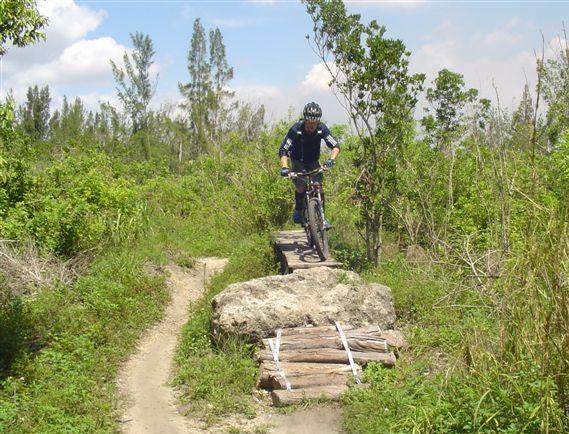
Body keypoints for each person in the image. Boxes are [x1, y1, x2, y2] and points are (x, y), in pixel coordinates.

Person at [278, 102, 340, 226]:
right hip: (298, 162)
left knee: (318, 186)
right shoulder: (296, 129)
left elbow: (335, 146)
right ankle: (298, 209)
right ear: (305, 120)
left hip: (313, 161)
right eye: (309, 123)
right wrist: (285, 167)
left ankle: (322, 218)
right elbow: (283, 150)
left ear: (318, 121)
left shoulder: (322, 128)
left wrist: (331, 160)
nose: (312, 126)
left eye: (314, 123)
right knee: (301, 187)